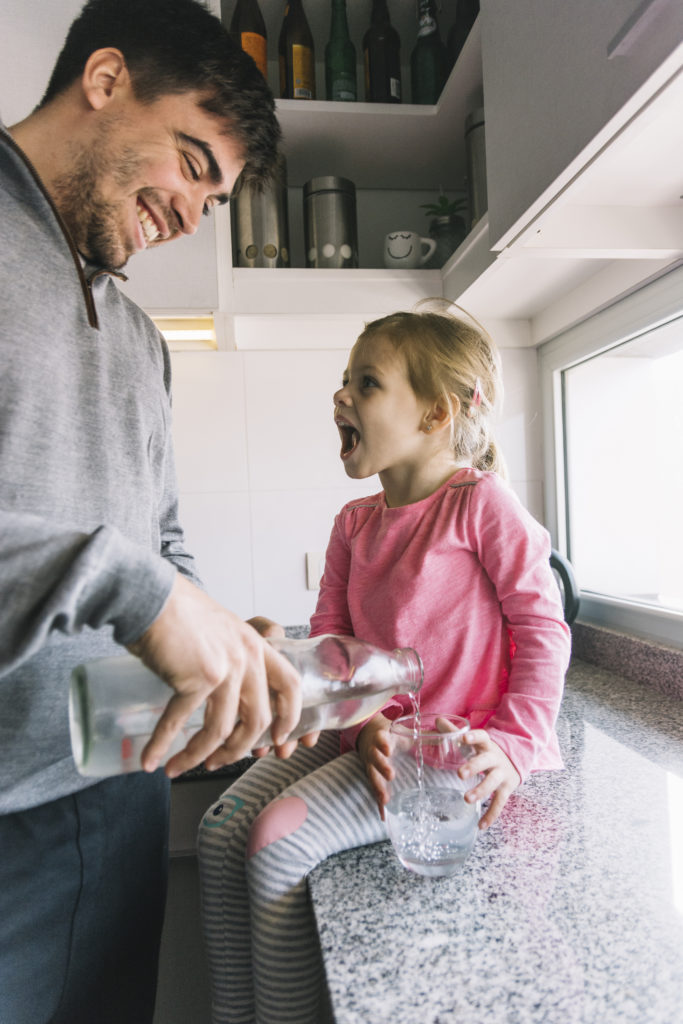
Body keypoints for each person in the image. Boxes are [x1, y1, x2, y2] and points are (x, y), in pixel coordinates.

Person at [0, 2, 306, 1022]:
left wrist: (216, 631)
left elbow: (160, 541)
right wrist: (145, 593)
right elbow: (134, 572)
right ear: (104, 81)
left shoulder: (141, 340)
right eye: (189, 162)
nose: (189, 212)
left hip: (123, 788)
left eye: (213, 200)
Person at [197, 303, 572, 1024]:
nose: (341, 395)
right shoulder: (352, 524)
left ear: (434, 414)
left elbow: (543, 627)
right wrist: (328, 713)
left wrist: (516, 747)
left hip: (444, 754)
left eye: (365, 383)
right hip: (367, 736)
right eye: (344, 381)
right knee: (219, 830)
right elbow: (332, 640)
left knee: (274, 841)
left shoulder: (480, 505)